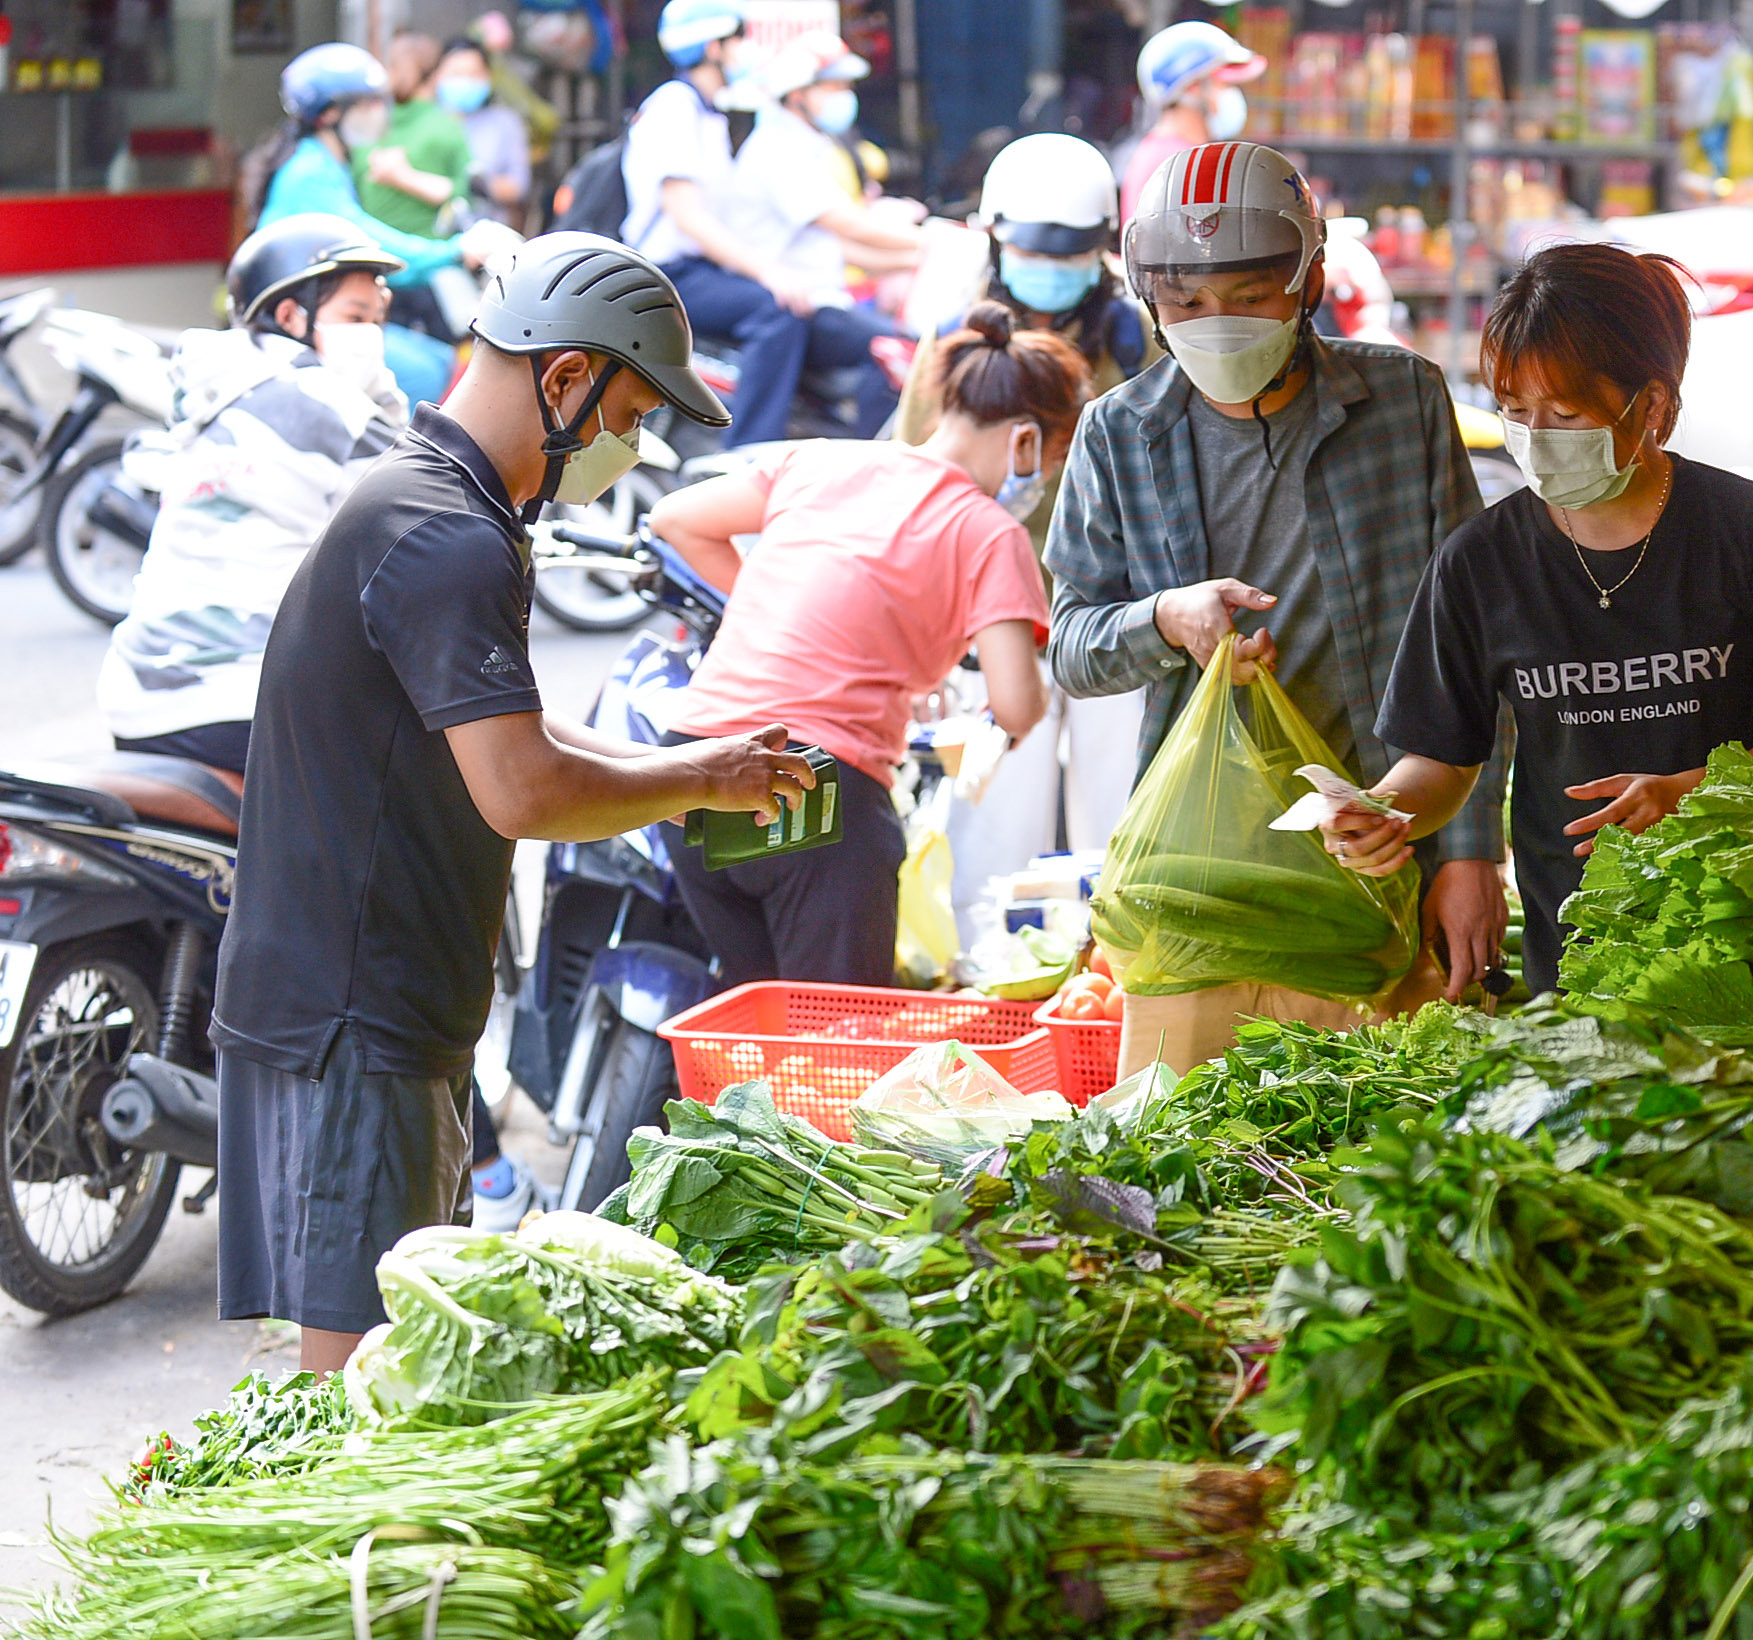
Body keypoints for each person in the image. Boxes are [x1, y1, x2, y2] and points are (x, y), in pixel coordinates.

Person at [212, 234, 814, 1374]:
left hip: (379, 995)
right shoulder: (442, 533)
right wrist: (692, 781)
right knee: (362, 1384)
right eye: (632, 414)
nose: (631, 449)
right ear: (567, 378)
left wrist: (691, 768)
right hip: (355, 1011)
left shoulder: (438, 501)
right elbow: (523, 787)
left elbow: (511, 727)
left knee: (395, 1358)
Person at [1046, 139, 1507, 1075]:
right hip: (1204, 878)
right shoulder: (1119, 433)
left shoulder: (1403, 402)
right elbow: (1072, 646)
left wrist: (1466, 852)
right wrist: (1164, 618)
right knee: (1182, 1169)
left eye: (1249, 296)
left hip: (1386, 850)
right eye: (1185, 303)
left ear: (1308, 280)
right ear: (1151, 299)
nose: (1215, 322)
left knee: (1375, 1165)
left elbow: (1469, 647)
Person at [1318, 244, 1753, 996]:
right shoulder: (1479, 561)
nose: (1536, 436)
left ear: (1654, 407)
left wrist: (1688, 793)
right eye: (1515, 410)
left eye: (1565, 414)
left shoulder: (1752, 531)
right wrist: (1385, 811)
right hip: (1573, 946)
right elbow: (1441, 759)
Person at [646, 303, 1083, 986]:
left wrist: (765, 609)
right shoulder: (988, 532)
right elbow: (1018, 705)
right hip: (814, 791)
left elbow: (676, 519)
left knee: (753, 1028)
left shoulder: (820, 461)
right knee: (834, 1042)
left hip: (689, 769)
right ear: (1026, 442)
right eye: (1052, 462)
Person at [895, 132, 1161, 933]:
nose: (1051, 271)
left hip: (1114, 620)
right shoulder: (954, 338)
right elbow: (913, 478)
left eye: (1071, 254)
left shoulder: (1131, 337)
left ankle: (1108, 991)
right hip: (990, 627)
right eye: (1033, 252)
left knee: (1123, 842)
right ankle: (993, 992)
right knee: (987, 848)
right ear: (993, 240)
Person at [99, 215, 406, 780]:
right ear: (293, 315)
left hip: (136, 685)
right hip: (234, 698)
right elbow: (420, 504)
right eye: (355, 318)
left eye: (377, 321)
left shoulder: (218, 385)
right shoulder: (322, 400)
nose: (371, 338)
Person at [249, 43, 491, 406]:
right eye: (367, 104)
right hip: (301, 325)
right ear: (330, 114)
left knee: (440, 359)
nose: (379, 113)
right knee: (424, 373)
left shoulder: (328, 163)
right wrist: (454, 251)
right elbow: (367, 242)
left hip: (324, 313)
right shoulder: (309, 173)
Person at [623, 0, 809, 447]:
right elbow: (687, 216)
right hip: (665, 275)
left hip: (694, 269)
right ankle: (747, 452)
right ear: (713, 47)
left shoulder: (705, 112)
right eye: (737, 41)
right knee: (775, 311)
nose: (745, 51)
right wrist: (768, 271)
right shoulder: (675, 107)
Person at [724, 33, 915, 438]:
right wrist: (931, 242)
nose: (846, 96)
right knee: (894, 352)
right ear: (797, 94)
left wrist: (915, 258)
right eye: (835, 86)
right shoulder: (778, 150)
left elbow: (841, 247)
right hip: (804, 307)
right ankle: (871, 467)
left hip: (825, 300)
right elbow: (846, 224)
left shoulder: (807, 146)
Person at [1115, 21, 1264, 229]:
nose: (1233, 95)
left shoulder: (1182, 156)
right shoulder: (1174, 164)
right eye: (1226, 85)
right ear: (1193, 88)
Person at [352, 33, 472, 240]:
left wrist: (401, 177)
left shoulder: (368, 125)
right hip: (424, 253)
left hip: (386, 252)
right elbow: (469, 194)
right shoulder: (445, 126)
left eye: (391, 66)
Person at [435, 35, 533, 228]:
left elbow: (519, 186)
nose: (464, 81)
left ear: (488, 76)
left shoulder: (505, 122)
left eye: (473, 74)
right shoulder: (427, 120)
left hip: (489, 232)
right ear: (437, 75)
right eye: (457, 73)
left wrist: (481, 186)